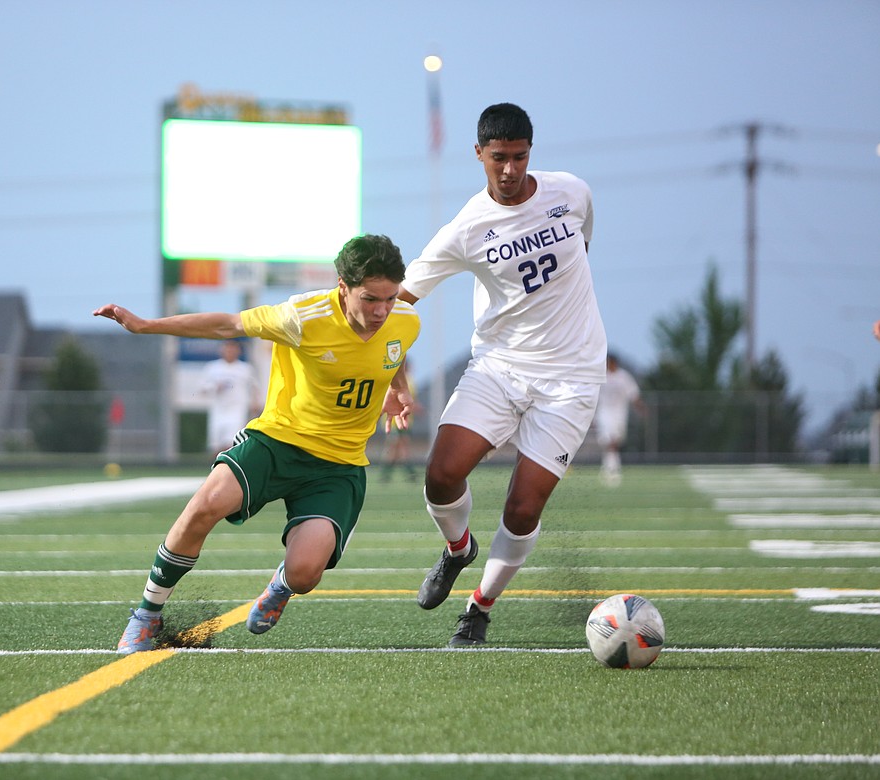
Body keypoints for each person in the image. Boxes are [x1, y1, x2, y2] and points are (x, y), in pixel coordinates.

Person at [95, 234, 420, 654]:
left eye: (390, 298)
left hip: (338, 467)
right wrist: (146, 326)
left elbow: (395, 352)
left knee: (305, 574)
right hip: (278, 440)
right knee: (203, 506)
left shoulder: (405, 320)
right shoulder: (302, 316)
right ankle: (146, 614)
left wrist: (399, 389)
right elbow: (227, 324)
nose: (381, 310)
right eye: (370, 298)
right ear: (343, 285)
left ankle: (282, 586)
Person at [397, 103, 607, 647]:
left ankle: (479, 608)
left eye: (518, 157)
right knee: (441, 474)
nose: (509, 170)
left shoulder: (571, 192)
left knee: (522, 506)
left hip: (572, 379)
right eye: (498, 159)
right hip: (498, 367)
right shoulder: (466, 228)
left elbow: (585, 240)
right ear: (479, 155)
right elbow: (397, 299)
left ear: (530, 153)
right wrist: (394, 372)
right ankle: (457, 549)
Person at [199, 339, 260, 455]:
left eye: (233, 348)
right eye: (227, 348)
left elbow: (254, 387)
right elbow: (203, 388)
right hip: (218, 409)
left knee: (232, 441)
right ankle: (216, 469)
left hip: (237, 409)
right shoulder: (213, 367)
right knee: (215, 443)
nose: (229, 351)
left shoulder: (245, 368)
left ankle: (230, 469)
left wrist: (255, 402)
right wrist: (215, 387)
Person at [594, 354, 645, 486]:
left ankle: (609, 467)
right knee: (607, 441)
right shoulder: (600, 376)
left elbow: (633, 394)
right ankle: (612, 469)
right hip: (604, 412)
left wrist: (641, 409)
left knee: (615, 442)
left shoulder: (623, 377)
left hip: (619, 413)